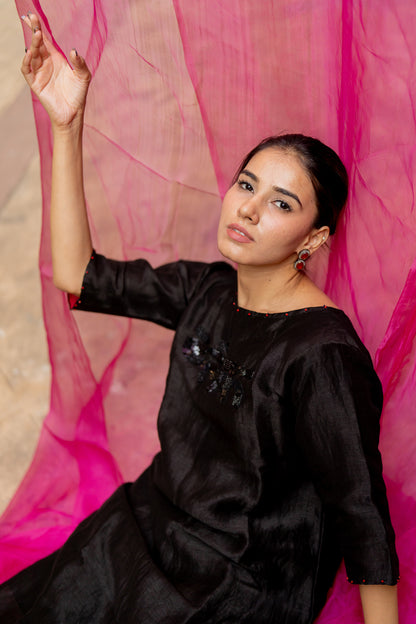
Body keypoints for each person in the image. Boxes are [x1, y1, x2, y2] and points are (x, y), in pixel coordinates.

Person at [1, 11, 399, 624]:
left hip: (239, 577)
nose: (249, 209)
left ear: (314, 239)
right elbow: (79, 277)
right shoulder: (208, 287)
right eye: (247, 185)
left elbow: (361, 512)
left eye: (281, 203)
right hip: (150, 524)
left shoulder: (322, 352)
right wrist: (67, 125)